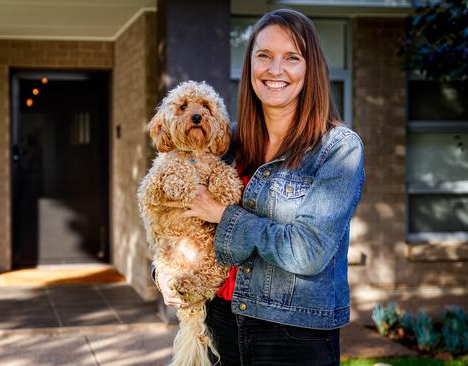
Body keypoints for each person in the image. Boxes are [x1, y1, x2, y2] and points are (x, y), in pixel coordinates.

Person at [154, 8, 365, 366]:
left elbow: (308, 250)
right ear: (250, 65)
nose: (275, 70)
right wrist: (163, 271)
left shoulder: (338, 149)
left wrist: (224, 215)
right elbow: (171, 214)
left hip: (293, 337)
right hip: (218, 322)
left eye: (292, 58)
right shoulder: (226, 142)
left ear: (310, 68)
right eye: (264, 56)